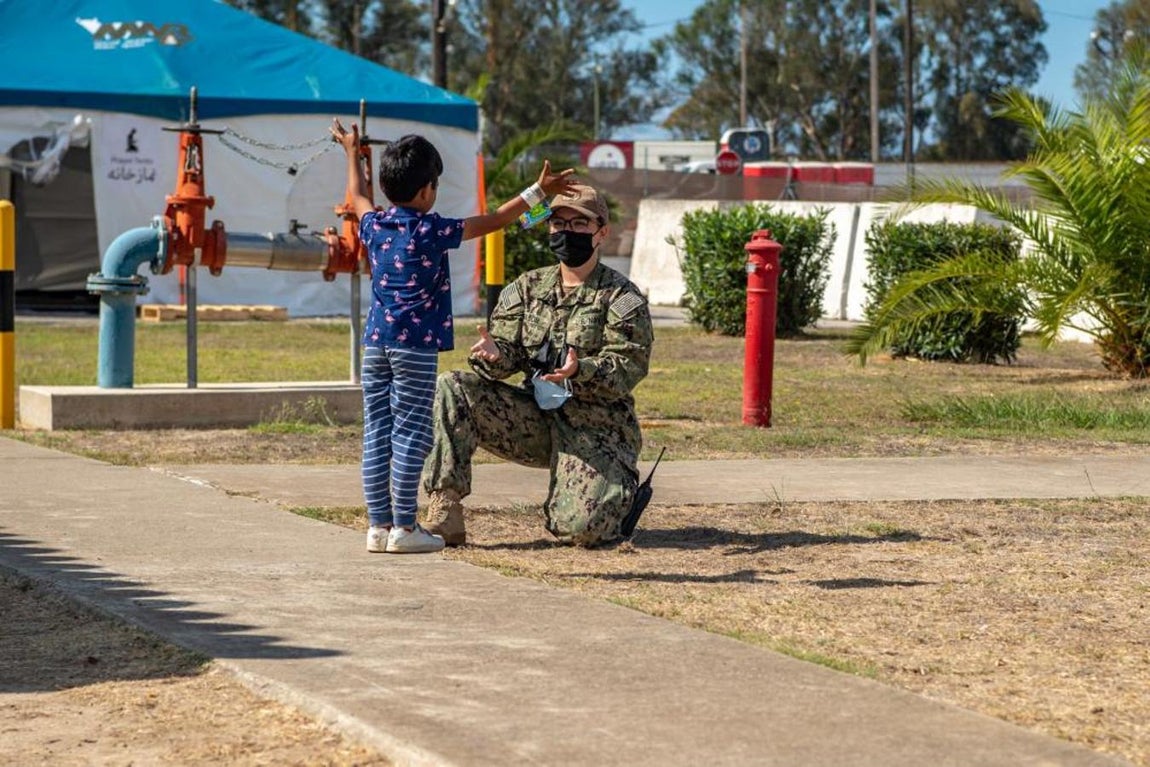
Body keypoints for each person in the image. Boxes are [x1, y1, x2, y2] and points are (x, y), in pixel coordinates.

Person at [330, 119, 575, 554]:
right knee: (411, 432)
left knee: (377, 432)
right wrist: (539, 191)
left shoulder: (375, 226)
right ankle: (405, 527)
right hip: (414, 349)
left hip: (375, 344)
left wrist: (351, 153)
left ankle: (378, 526)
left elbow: (358, 197)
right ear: (427, 190)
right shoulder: (432, 230)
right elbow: (496, 219)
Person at [420, 182, 654, 548]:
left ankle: (614, 488)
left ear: (602, 232)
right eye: (559, 223)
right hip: (534, 419)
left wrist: (580, 371)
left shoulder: (621, 297)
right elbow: (508, 352)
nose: (567, 232)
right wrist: (494, 356)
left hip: (595, 427)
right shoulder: (527, 288)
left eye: (580, 224)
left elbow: (628, 366)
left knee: (583, 532)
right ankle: (445, 508)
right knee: (452, 385)